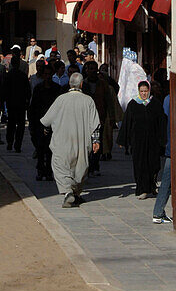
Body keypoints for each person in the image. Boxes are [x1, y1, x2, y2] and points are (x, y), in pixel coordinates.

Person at [40, 72, 100, 207]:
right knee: (80, 167)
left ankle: (68, 192)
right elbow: (94, 123)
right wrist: (96, 141)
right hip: (82, 141)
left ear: (69, 84)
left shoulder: (61, 99)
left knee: (60, 166)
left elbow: (47, 120)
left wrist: (46, 131)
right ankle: (75, 193)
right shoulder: (88, 100)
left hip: (63, 140)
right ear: (81, 84)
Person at [117, 79, 167, 199]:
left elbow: (162, 122)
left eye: (146, 91)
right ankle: (142, 189)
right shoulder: (133, 104)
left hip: (152, 141)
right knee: (139, 164)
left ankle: (152, 185)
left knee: (153, 164)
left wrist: (163, 139)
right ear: (138, 91)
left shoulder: (155, 104)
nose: (144, 93)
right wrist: (123, 140)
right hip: (138, 141)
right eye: (142, 91)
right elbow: (127, 122)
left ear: (149, 91)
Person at [83, 62, 121, 167]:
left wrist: (112, 117)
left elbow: (109, 101)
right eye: (90, 69)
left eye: (94, 69)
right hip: (86, 118)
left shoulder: (103, 85)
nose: (92, 71)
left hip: (100, 117)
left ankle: (95, 164)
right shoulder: (83, 84)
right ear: (86, 70)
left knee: (98, 140)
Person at [28, 64, 59, 180]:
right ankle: (40, 170)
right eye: (45, 74)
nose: (47, 76)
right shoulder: (38, 88)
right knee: (40, 148)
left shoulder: (56, 89)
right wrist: (32, 122)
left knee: (50, 149)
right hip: (39, 122)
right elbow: (33, 106)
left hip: (53, 123)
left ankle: (49, 171)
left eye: (49, 74)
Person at [1, 51, 31, 152]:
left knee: (11, 124)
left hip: (11, 103)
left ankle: (10, 142)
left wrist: (4, 101)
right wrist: (27, 102)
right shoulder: (23, 76)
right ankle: (17, 144)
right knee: (20, 125)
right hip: (21, 104)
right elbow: (28, 91)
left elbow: (4, 90)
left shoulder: (8, 76)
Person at [152, 91, 172, 223]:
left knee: (166, 181)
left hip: (170, 145)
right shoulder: (170, 99)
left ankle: (159, 211)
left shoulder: (167, 99)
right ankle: (158, 212)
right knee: (167, 180)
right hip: (175, 146)